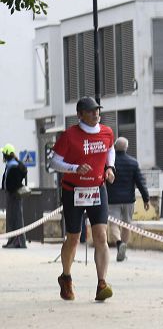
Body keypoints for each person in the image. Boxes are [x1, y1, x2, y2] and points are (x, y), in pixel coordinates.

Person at [50, 97, 116, 301]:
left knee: (101, 236)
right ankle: (66, 277)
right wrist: (74, 168)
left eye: (97, 110)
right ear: (80, 114)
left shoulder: (107, 132)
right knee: (73, 238)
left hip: (97, 189)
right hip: (73, 191)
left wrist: (110, 168)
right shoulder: (69, 136)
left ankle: (101, 283)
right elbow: (54, 162)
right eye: (90, 111)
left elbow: (110, 149)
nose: (96, 114)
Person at [108, 137, 150, 261]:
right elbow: (140, 182)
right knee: (126, 225)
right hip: (129, 200)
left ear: (114, 147)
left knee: (114, 224)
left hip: (112, 199)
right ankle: (123, 250)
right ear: (126, 147)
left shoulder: (110, 163)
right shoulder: (133, 162)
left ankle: (119, 243)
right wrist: (146, 199)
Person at [2, 143, 29, 248]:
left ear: (7, 154)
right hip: (11, 194)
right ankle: (12, 240)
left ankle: (19, 242)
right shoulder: (12, 164)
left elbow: (14, 181)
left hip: (14, 195)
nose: (3, 156)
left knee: (16, 218)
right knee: (12, 218)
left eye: (4, 154)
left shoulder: (14, 166)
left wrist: (11, 189)